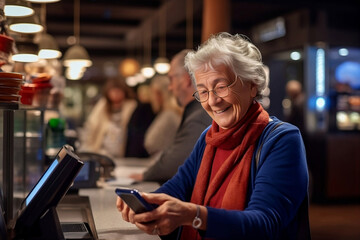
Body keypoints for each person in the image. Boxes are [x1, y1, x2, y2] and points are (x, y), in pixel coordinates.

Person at [117, 33, 309, 240]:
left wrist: (194, 215)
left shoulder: (282, 139)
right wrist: (148, 203)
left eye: (221, 87)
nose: (212, 101)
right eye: (203, 91)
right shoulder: (209, 137)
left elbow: (264, 223)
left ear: (252, 85)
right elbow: (179, 186)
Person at [129, 49, 212, 183]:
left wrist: (146, 176)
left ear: (185, 80)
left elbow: (176, 162)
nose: (170, 87)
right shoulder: (196, 112)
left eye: (171, 78)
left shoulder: (200, 115)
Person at [79, 77, 154, 158]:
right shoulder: (102, 106)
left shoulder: (132, 106)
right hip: (102, 152)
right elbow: (91, 126)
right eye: (113, 91)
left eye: (118, 91)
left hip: (123, 152)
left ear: (124, 91)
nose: (115, 94)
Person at [143, 75, 182, 157]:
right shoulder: (169, 112)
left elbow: (151, 143)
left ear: (159, 93)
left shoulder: (170, 114)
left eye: (153, 93)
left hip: (166, 161)